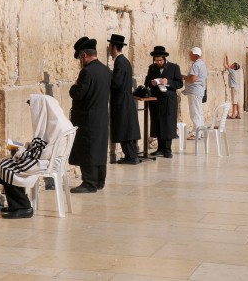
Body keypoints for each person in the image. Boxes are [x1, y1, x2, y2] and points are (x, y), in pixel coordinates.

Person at [0, 94, 73, 219]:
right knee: (5, 161)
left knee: (5, 166)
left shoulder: (57, 127)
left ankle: (23, 207)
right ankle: (15, 204)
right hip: (50, 160)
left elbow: (43, 153)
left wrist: (21, 151)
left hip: (47, 162)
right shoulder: (59, 122)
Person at [68, 37, 111, 193]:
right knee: (99, 147)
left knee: (88, 148)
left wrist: (73, 87)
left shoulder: (87, 72)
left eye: (80, 57)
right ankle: (99, 180)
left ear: (84, 54)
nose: (80, 61)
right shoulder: (106, 70)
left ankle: (89, 183)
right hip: (101, 115)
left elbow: (79, 94)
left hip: (88, 116)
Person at [107, 34, 141, 164]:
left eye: (110, 46)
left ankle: (131, 156)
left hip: (121, 100)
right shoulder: (125, 61)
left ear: (114, 47)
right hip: (126, 98)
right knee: (127, 127)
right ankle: (131, 155)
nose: (109, 49)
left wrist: (109, 75)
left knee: (124, 127)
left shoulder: (119, 62)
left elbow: (117, 83)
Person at [144, 46, 183, 158]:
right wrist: (152, 83)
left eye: (160, 60)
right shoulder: (152, 67)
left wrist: (168, 82)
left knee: (168, 123)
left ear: (164, 59)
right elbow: (147, 82)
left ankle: (167, 149)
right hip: (156, 100)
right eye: (156, 60)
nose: (158, 62)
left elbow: (179, 83)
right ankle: (159, 149)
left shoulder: (174, 67)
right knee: (157, 123)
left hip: (168, 100)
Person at [182, 47, 207, 140]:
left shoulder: (196, 65)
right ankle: (199, 132)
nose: (189, 55)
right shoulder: (202, 64)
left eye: (190, 53)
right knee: (199, 112)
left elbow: (192, 79)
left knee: (195, 113)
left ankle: (197, 133)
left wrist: (184, 77)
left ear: (194, 54)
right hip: (198, 91)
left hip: (194, 91)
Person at [223, 53, 241, 119]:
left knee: (234, 102)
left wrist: (224, 57)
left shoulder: (232, 70)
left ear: (234, 67)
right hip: (237, 88)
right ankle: (238, 114)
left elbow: (225, 65)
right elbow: (228, 64)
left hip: (234, 88)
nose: (231, 65)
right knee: (236, 101)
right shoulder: (234, 71)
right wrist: (227, 57)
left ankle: (233, 115)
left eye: (232, 64)